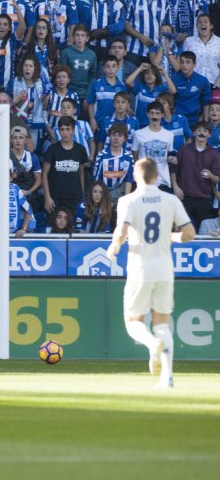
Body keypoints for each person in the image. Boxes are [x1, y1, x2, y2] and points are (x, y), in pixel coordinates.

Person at [107, 157, 196, 388]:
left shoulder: (129, 200)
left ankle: (150, 343)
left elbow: (122, 230)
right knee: (162, 324)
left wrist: (114, 247)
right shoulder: (171, 199)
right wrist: (170, 236)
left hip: (140, 267)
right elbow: (189, 233)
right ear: (157, 176)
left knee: (133, 322)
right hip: (165, 268)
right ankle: (167, 377)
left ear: (136, 176)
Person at [173, 122, 220, 231]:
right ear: (193, 133)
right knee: (178, 230)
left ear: (209, 135)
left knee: (204, 232)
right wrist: (175, 186)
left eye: (205, 131)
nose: (201, 133)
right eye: (199, 130)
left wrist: (211, 175)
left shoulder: (213, 153)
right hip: (185, 197)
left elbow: (217, 178)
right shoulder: (184, 149)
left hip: (204, 198)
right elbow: (173, 169)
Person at [42, 116, 89, 216]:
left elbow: (81, 173)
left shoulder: (80, 150)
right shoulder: (52, 149)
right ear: (58, 131)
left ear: (73, 130)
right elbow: (44, 173)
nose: (65, 133)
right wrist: (47, 197)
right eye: (62, 130)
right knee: (55, 228)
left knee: (73, 228)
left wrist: (82, 195)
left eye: (68, 129)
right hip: (55, 198)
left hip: (74, 198)